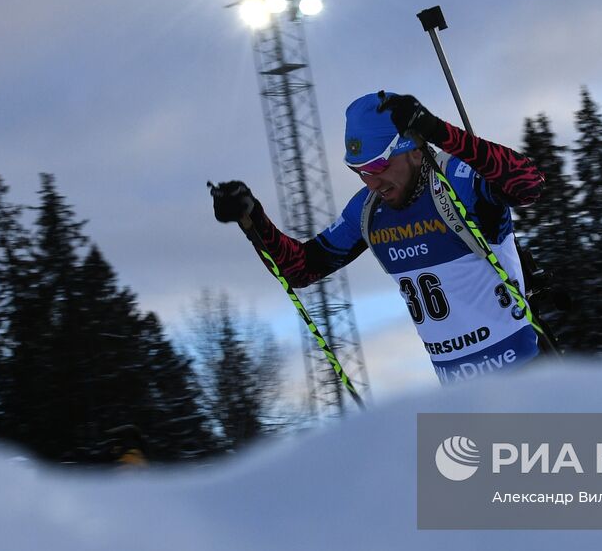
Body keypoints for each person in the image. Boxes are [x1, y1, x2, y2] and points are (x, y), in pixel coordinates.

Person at [212, 91, 545, 384]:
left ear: (415, 149)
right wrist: (252, 217)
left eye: (379, 165)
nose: (371, 181)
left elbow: (529, 183)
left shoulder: (457, 181)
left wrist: (440, 131)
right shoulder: (368, 211)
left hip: (528, 375)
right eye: (359, 171)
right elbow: (300, 269)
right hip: (459, 395)